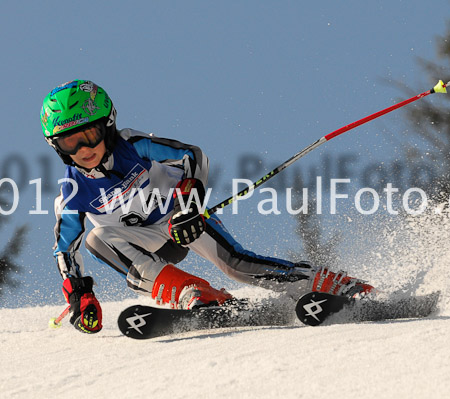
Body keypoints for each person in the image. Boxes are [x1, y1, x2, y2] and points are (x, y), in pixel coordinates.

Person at [41, 80, 373, 334]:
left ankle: (333, 285)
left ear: (108, 126)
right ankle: (196, 293)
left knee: (235, 264)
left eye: (90, 134)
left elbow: (192, 155)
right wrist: (79, 294)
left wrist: (188, 203)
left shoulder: (132, 145)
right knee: (97, 239)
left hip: (181, 219)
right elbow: (64, 250)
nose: (84, 148)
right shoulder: (72, 192)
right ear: (58, 147)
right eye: (71, 142)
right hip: (146, 243)